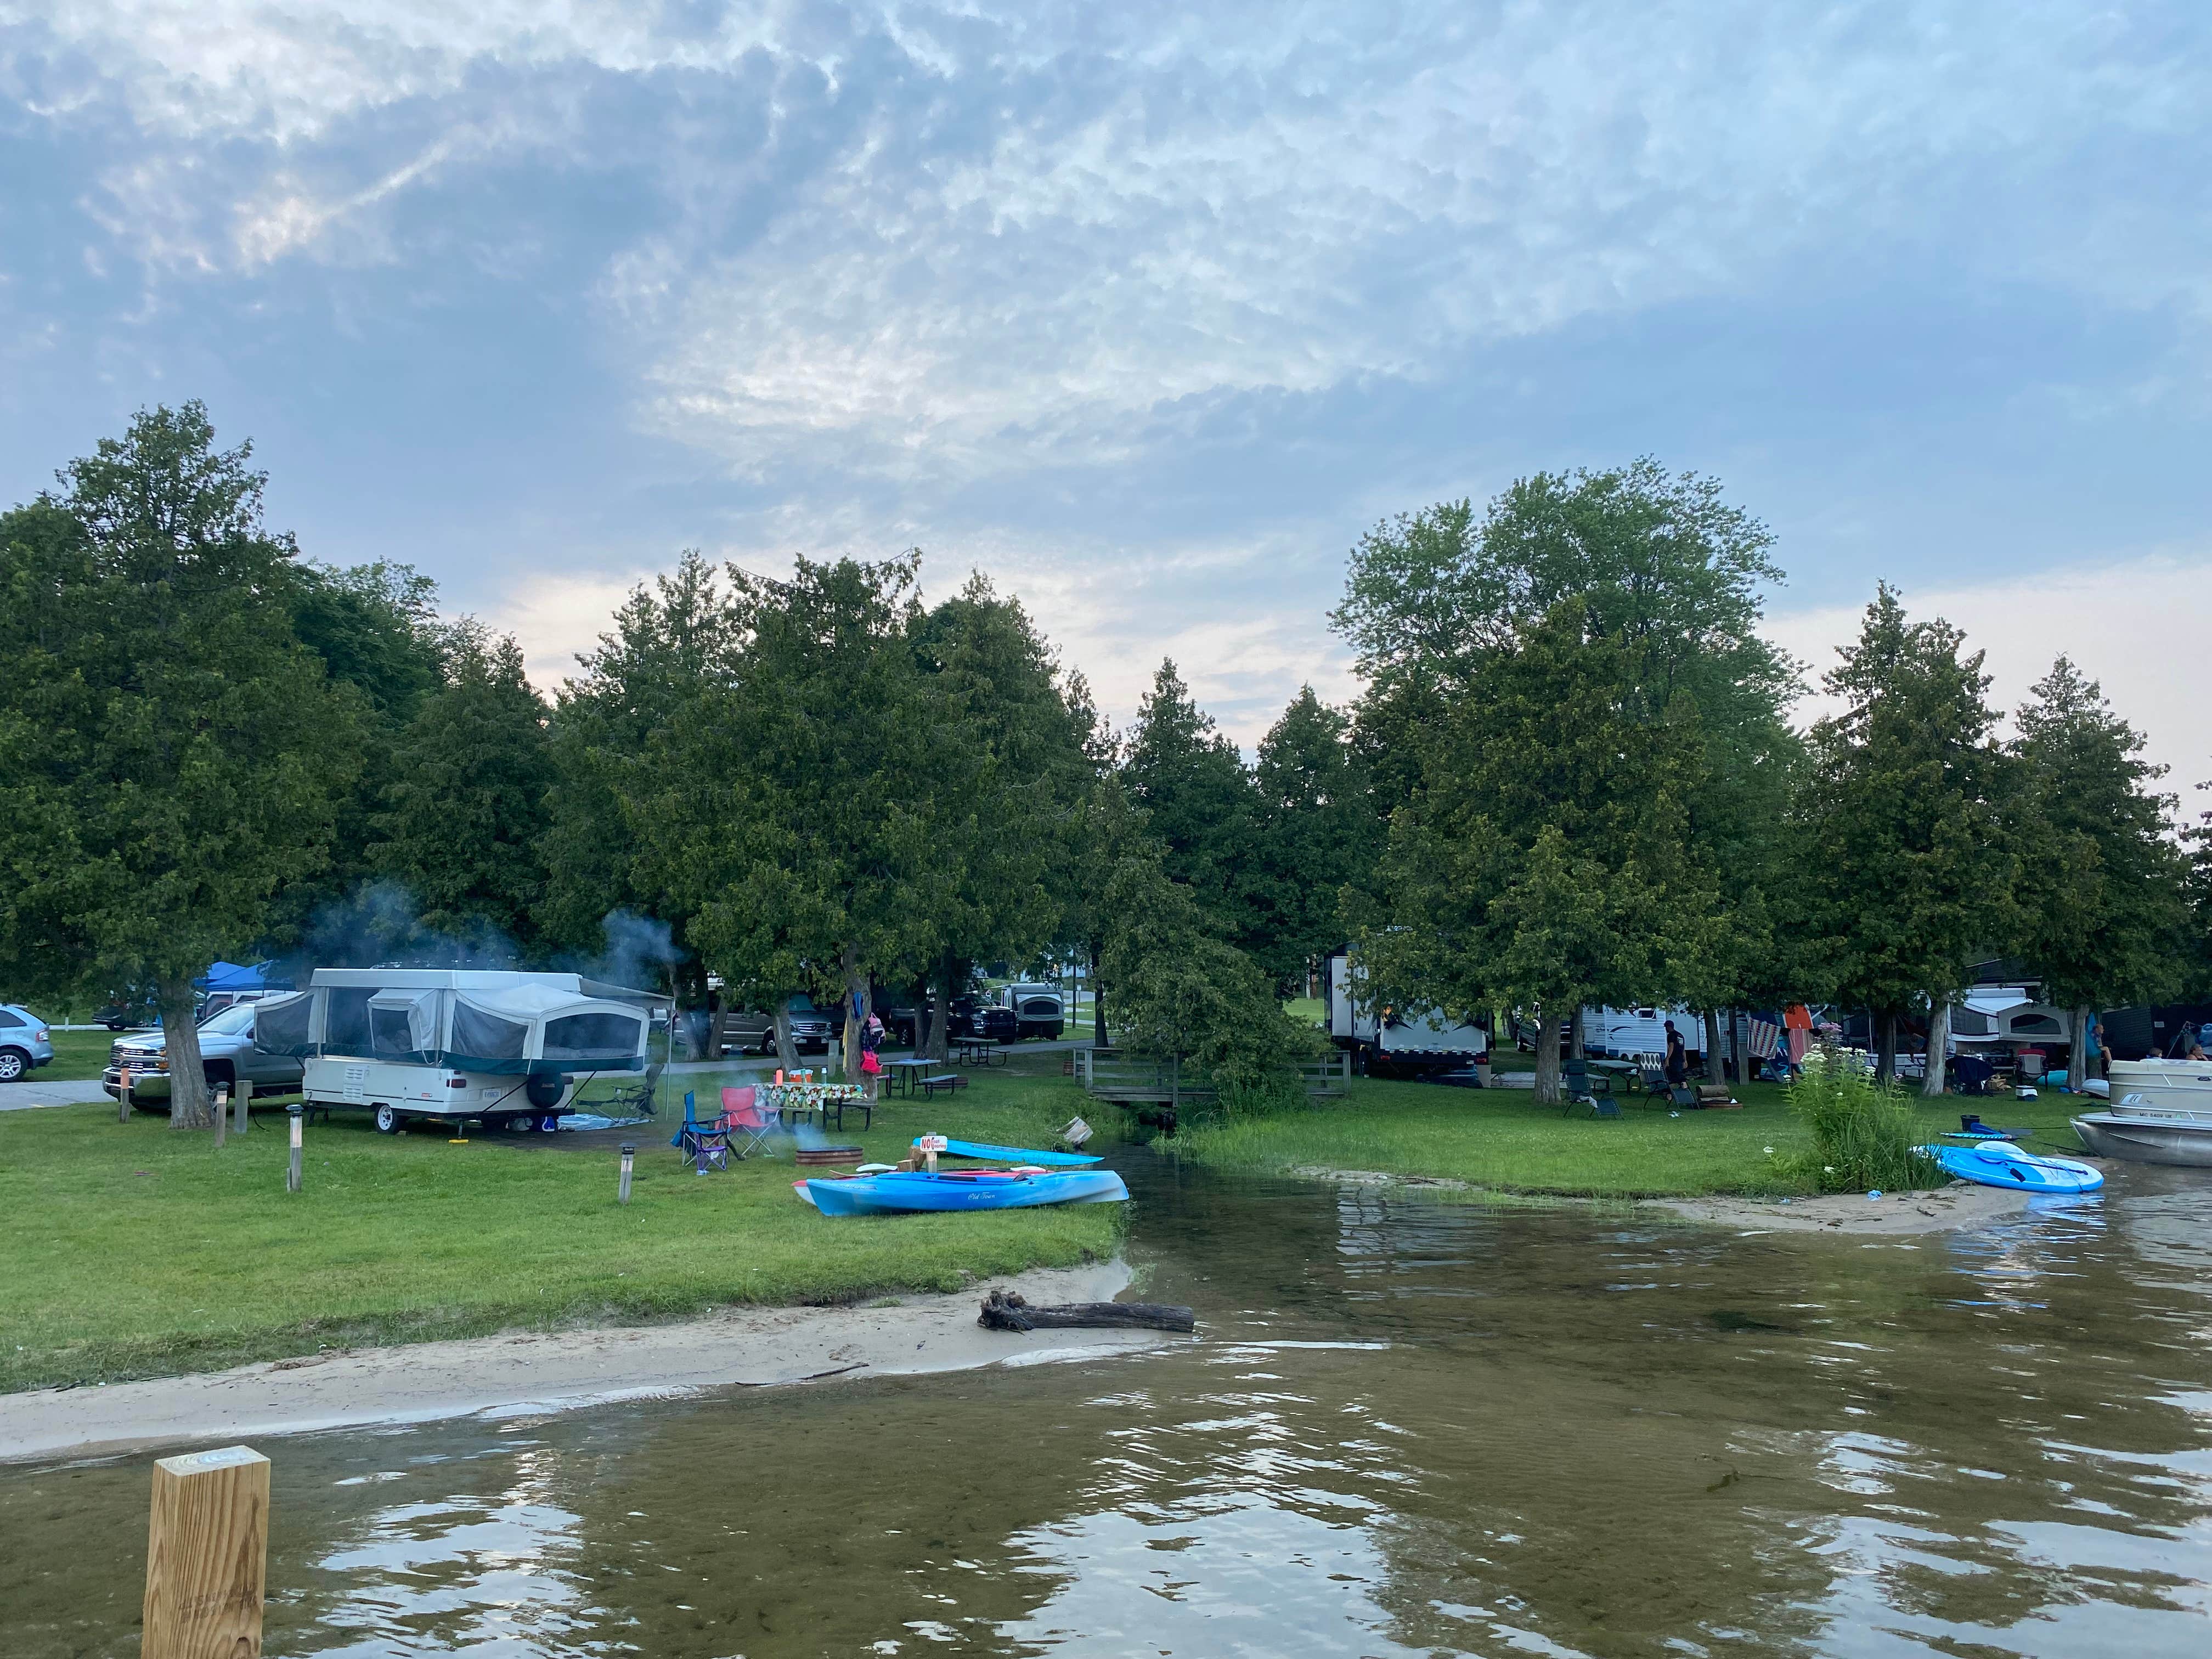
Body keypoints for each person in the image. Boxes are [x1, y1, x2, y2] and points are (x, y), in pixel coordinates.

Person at [1663, 1020, 1687, 1087]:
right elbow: (1683, 1049)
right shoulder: (1680, 1036)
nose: (1665, 1029)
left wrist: (1668, 1058)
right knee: (1679, 1073)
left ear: (1668, 1027)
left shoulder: (1671, 1036)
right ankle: (1683, 1087)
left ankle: (1671, 1091)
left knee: (1672, 1075)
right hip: (1680, 1058)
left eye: (1666, 1027)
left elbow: (1671, 1047)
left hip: (1674, 1058)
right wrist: (1685, 1060)